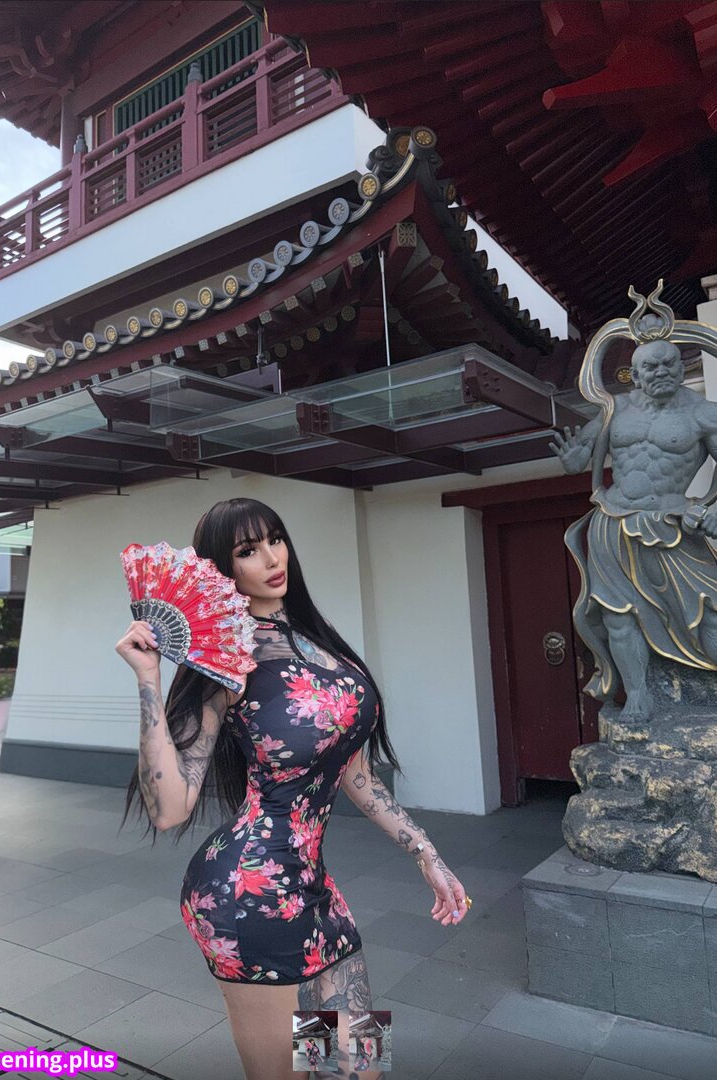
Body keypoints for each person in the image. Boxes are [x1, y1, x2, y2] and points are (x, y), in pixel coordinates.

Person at [115, 497, 469, 1080]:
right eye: (247, 551)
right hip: (247, 898)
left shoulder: (314, 636)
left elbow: (354, 772)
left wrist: (426, 854)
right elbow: (170, 809)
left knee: (358, 1066)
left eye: (275, 539)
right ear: (223, 567)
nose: (271, 558)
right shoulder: (225, 662)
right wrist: (149, 680)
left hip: (314, 889)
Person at [551, 339, 717, 721]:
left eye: (668, 364)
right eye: (650, 367)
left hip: (674, 524)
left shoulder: (703, 413)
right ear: (635, 376)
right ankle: (638, 695)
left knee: (708, 608)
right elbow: (582, 452)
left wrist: (711, 508)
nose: (661, 372)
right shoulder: (615, 409)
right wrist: (574, 458)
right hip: (613, 522)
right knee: (618, 615)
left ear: (681, 368)